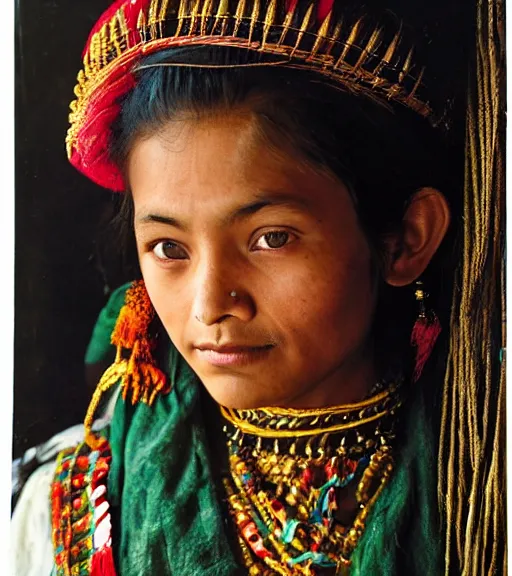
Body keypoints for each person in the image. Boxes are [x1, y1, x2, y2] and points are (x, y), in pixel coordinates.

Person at [13, 0, 506, 574]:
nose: (209, 304)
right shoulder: (69, 511)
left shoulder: (487, 492)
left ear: (405, 240)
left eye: (271, 238)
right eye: (170, 249)